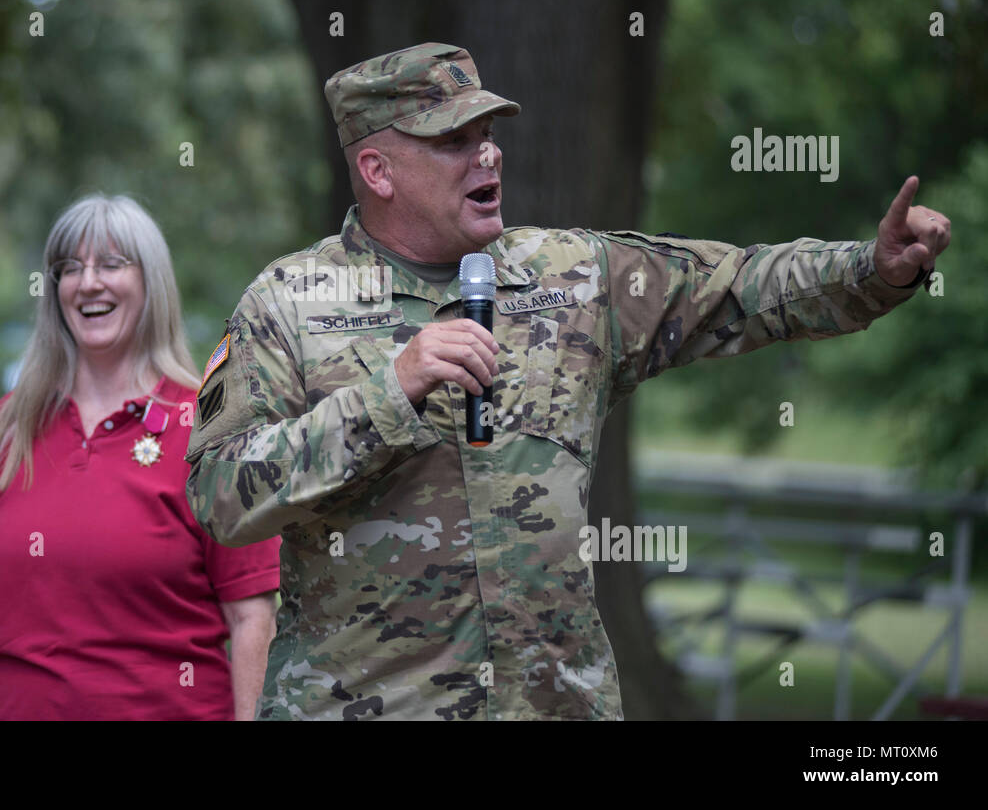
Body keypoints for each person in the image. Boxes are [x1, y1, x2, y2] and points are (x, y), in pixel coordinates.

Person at [184, 41, 951, 720]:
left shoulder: (574, 275)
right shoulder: (289, 302)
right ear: (377, 169)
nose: (487, 157)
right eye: (454, 140)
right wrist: (390, 395)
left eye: (487, 135)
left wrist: (870, 271)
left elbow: (739, 288)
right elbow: (219, 495)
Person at [0, 194, 280, 720]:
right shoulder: (11, 424)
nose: (88, 282)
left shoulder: (211, 430)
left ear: (151, 284)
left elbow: (251, 618)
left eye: (112, 264)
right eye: (70, 268)